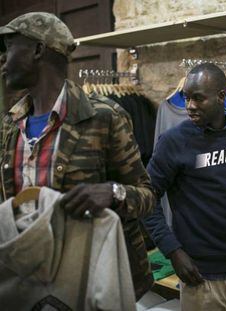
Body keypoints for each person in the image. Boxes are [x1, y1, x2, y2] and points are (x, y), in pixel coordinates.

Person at [0, 12, 155, 300]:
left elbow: (147, 196)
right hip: (29, 280)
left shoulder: (104, 117)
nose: (3, 60)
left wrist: (113, 192)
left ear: (37, 50)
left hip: (90, 279)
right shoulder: (10, 126)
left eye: (9, 47)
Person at [144, 63, 226, 310]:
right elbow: (146, 198)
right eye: (186, 98)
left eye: (198, 98)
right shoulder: (173, 142)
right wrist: (173, 251)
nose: (189, 106)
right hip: (199, 276)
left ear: (221, 96)